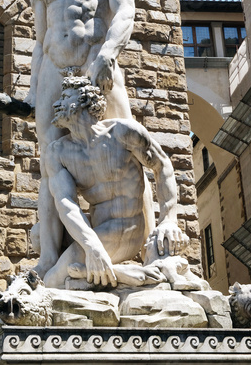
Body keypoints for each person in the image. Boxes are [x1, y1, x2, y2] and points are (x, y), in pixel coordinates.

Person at [20, 0, 156, 278]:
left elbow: (126, 12)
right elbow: (40, 41)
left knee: (128, 149)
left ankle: (148, 249)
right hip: (52, 72)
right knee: (50, 161)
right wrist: (32, 93)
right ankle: (49, 257)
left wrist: (109, 55)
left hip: (95, 62)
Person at [43, 77, 188, 289]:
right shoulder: (58, 152)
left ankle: (100, 274)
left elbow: (162, 165)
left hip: (130, 229)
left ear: (84, 100)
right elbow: (66, 204)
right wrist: (92, 247)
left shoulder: (123, 132)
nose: (56, 104)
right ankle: (124, 275)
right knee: (48, 264)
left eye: (64, 98)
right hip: (97, 234)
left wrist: (169, 219)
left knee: (53, 282)